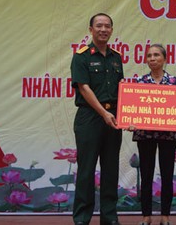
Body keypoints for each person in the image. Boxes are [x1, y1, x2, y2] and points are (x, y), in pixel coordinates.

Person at [71, 13, 124, 225]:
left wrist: (128, 115)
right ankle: (82, 218)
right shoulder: (81, 56)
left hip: (113, 118)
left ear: (112, 30)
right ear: (91, 29)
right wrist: (104, 113)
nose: (103, 29)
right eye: (99, 26)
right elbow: (84, 88)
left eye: (107, 26)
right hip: (90, 118)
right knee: (86, 170)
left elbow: (122, 90)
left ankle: (109, 218)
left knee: (111, 170)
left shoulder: (116, 57)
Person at [133, 44, 176, 225]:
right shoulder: (140, 82)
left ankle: (165, 216)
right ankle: (146, 216)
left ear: (164, 58)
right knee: (146, 175)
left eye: (156, 55)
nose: (152, 58)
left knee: (167, 175)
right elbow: (134, 109)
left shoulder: (174, 82)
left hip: (168, 136)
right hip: (145, 135)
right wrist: (130, 121)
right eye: (149, 56)